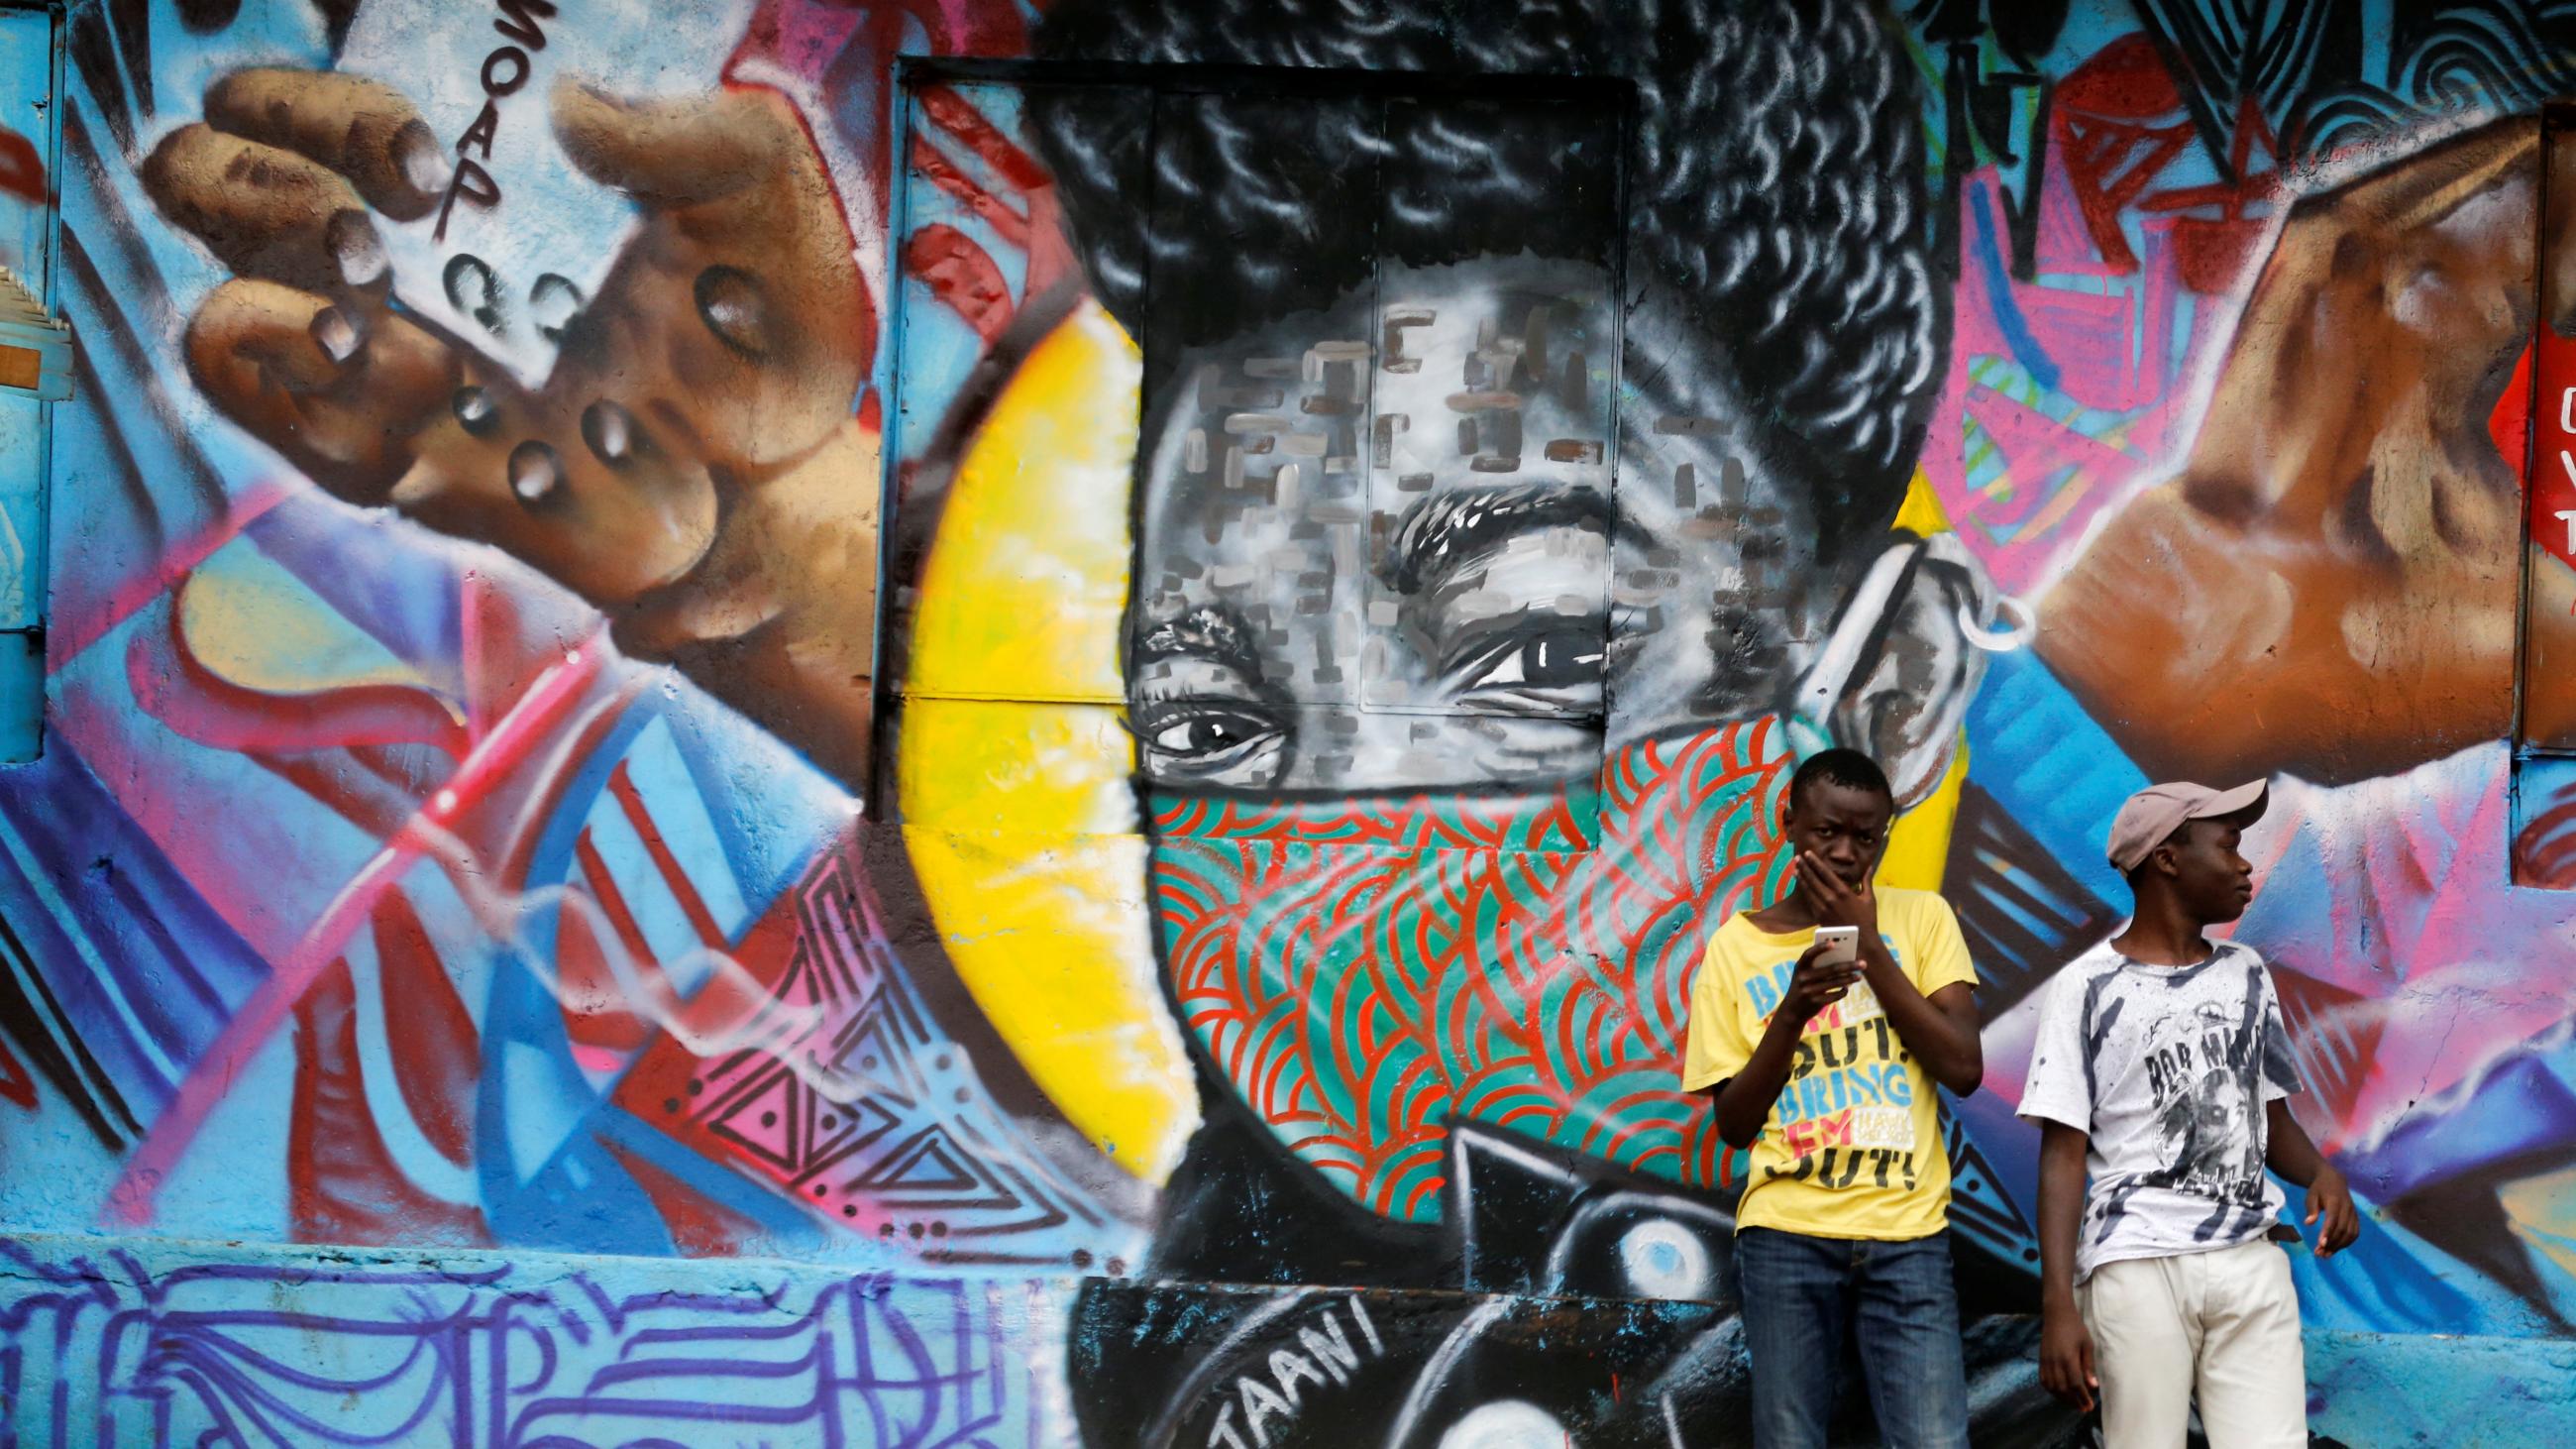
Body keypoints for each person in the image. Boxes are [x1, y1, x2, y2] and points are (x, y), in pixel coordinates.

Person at [2021, 781, 2361, 1446]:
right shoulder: (2085, 988)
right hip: (2137, 1268)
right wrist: (2058, 1303)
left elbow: (2270, 1121)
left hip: (2249, 1261)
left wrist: (2321, 1174)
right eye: (2229, 844)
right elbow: (2062, 1156)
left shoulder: (2246, 973)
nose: (2244, 864)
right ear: (2167, 860)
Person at [1680, 747, 1985, 1449]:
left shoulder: (1924, 920)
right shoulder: (1737, 946)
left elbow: (1963, 1065)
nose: (1847, 853)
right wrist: (1791, 1012)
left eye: (1866, 837)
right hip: (1787, 1235)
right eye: (1827, 833)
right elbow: (1733, 1123)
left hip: (1908, 1235)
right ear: (1789, 824)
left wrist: (1871, 949)